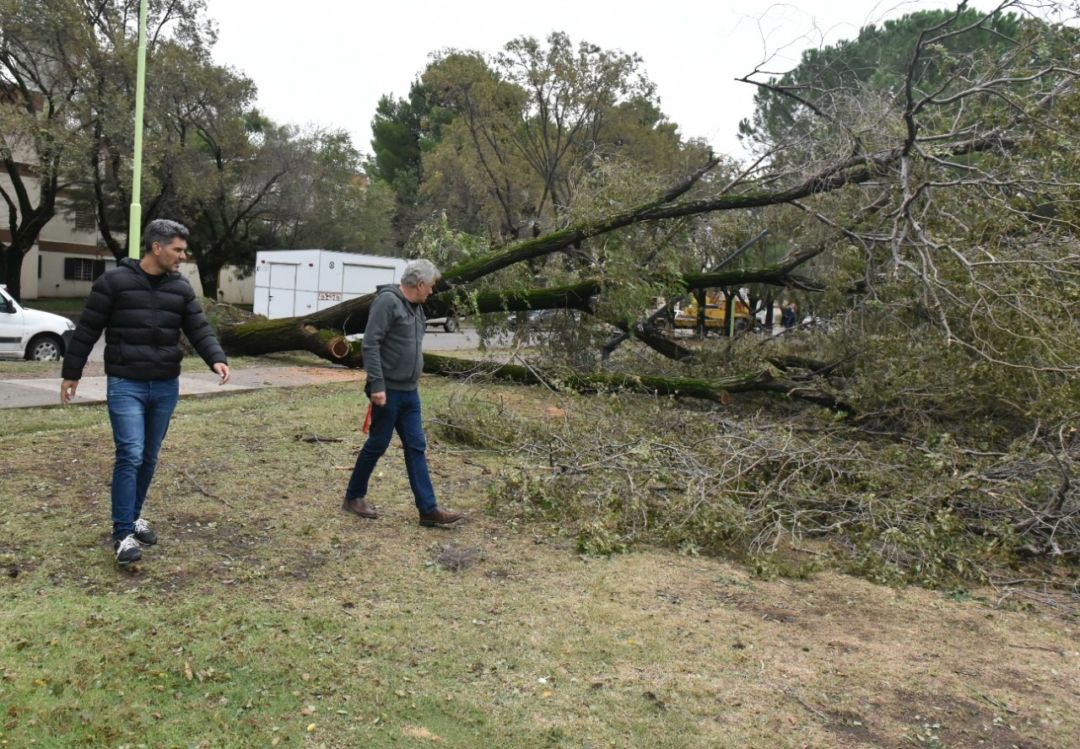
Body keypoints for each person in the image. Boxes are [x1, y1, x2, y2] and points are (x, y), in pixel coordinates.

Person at [61, 219, 230, 565]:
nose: (183, 256)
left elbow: (198, 327)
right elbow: (88, 329)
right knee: (131, 454)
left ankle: (133, 517)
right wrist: (71, 373)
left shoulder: (180, 289)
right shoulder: (114, 283)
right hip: (126, 383)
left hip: (165, 384)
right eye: (178, 249)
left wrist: (216, 358)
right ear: (157, 247)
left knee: (149, 456)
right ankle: (122, 534)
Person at [343, 259, 463, 527]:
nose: (431, 292)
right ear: (419, 284)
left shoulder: (416, 308)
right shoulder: (388, 302)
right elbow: (370, 344)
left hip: (411, 393)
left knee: (416, 447)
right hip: (388, 392)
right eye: (430, 287)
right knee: (377, 445)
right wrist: (377, 385)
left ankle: (428, 510)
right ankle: (353, 496)